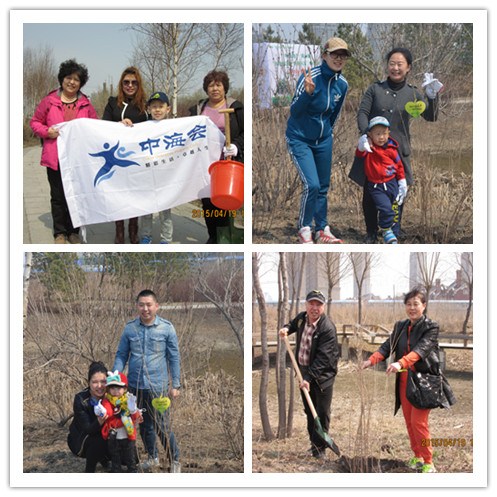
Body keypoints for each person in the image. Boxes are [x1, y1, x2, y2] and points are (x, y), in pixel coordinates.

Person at [349, 47, 442, 243]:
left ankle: (393, 229)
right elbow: (362, 113)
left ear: (408, 67)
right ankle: (371, 231)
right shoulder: (375, 89)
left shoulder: (413, 94)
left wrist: (432, 97)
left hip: (398, 152)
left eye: (400, 64)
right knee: (370, 194)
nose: (395, 68)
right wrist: (366, 135)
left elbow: (431, 117)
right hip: (372, 152)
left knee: (397, 193)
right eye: (392, 63)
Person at [358, 288, 442, 473]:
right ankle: (417, 456)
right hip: (404, 381)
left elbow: (421, 349)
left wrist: (400, 362)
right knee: (409, 422)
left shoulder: (431, 327)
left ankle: (429, 461)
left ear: (424, 306)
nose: (412, 308)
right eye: (409, 304)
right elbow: (388, 347)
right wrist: (370, 360)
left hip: (423, 382)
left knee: (419, 422)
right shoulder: (400, 326)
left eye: (416, 304)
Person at [285, 38, 349, 244]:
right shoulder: (310, 77)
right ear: (324, 55)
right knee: (311, 185)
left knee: (322, 186)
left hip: (323, 140)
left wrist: (327, 134)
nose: (338, 59)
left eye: (343, 56)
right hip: (300, 138)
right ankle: (305, 227)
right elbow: (294, 112)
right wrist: (308, 94)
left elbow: (334, 114)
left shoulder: (342, 84)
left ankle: (322, 229)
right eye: (334, 55)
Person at [30, 59, 99, 244]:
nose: (72, 82)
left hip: (78, 159)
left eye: (76, 79)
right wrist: (47, 132)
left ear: (81, 83)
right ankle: (59, 232)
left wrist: (118, 126)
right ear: (62, 79)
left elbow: (95, 126)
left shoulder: (85, 104)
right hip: (55, 157)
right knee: (58, 196)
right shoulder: (49, 101)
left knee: (75, 195)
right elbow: (35, 122)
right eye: (69, 78)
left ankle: (73, 231)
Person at [113, 289, 181, 472]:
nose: (145, 309)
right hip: (135, 387)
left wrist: (175, 384)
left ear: (156, 306)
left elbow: (174, 358)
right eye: (141, 305)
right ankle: (153, 457)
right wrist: (114, 377)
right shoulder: (130, 328)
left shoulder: (166, 328)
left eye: (149, 305)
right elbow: (121, 354)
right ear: (137, 307)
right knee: (144, 425)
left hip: (157, 388)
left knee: (162, 426)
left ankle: (174, 460)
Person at [278, 290, 340, 460]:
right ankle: (313, 446)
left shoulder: (327, 329)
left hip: (322, 377)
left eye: (318, 305)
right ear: (306, 305)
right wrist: (286, 328)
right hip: (303, 373)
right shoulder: (302, 318)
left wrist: (308, 378)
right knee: (309, 411)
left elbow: (323, 359)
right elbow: (292, 324)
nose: (314, 308)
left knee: (321, 413)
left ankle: (320, 450)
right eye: (311, 304)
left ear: (323, 307)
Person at [189, 70, 244, 244]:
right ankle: (213, 235)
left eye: (218, 85)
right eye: (211, 85)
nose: (215, 89)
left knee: (225, 199)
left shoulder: (236, 107)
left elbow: (245, 132)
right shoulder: (198, 110)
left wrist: (236, 146)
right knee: (208, 202)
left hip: (227, 163)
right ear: (206, 88)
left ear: (225, 88)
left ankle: (224, 236)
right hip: (205, 163)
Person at [102, 67, 149, 244]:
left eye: (134, 82)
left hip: (137, 158)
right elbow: (103, 126)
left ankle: (133, 229)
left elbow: (155, 126)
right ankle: (119, 230)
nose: (130, 85)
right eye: (126, 82)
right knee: (119, 194)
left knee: (135, 193)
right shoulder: (113, 103)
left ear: (139, 84)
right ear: (121, 84)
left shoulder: (145, 105)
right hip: (117, 158)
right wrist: (119, 124)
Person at [355, 116, 407, 244]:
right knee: (385, 209)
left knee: (395, 209)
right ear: (370, 134)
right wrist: (362, 145)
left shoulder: (392, 149)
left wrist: (402, 182)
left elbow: (399, 166)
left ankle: (393, 234)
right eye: (377, 134)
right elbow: (359, 153)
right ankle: (385, 229)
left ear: (388, 133)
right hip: (376, 186)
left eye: (384, 133)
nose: (381, 137)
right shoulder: (370, 148)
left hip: (391, 183)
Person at [139, 92, 173, 244]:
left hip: (166, 177)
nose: (157, 110)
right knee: (146, 210)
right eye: (154, 107)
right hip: (147, 175)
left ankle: (166, 239)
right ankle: (146, 237)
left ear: (168, 109)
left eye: (161, 106)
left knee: (165, 211)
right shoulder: (143, 127)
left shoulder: (175, 127)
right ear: (148, 109)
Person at [94, 371, 142, 473]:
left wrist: (133, 409)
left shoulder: (129, 399)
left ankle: (132, 470)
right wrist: (101, 411)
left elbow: (135, 416)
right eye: (112, 388)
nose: (115, 391)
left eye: (118, 388)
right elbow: (108, 412)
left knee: (130, 455)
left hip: (128, 434)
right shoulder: (107, 400)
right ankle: (116, 471)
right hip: (114, 434)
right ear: (108, 389)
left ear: (124, 389)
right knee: (115, 455)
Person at [67, 361, 110, 472]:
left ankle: (105, 460)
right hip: (82, 439)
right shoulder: (81, 399)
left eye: (103, 382)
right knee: (97, 440)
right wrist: (99, 421)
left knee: (130, 457)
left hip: (105, 435)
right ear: (88, 382)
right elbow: (88, 429)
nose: (99, 386)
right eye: (95, 382)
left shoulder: (112, 395)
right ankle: (89, 470)